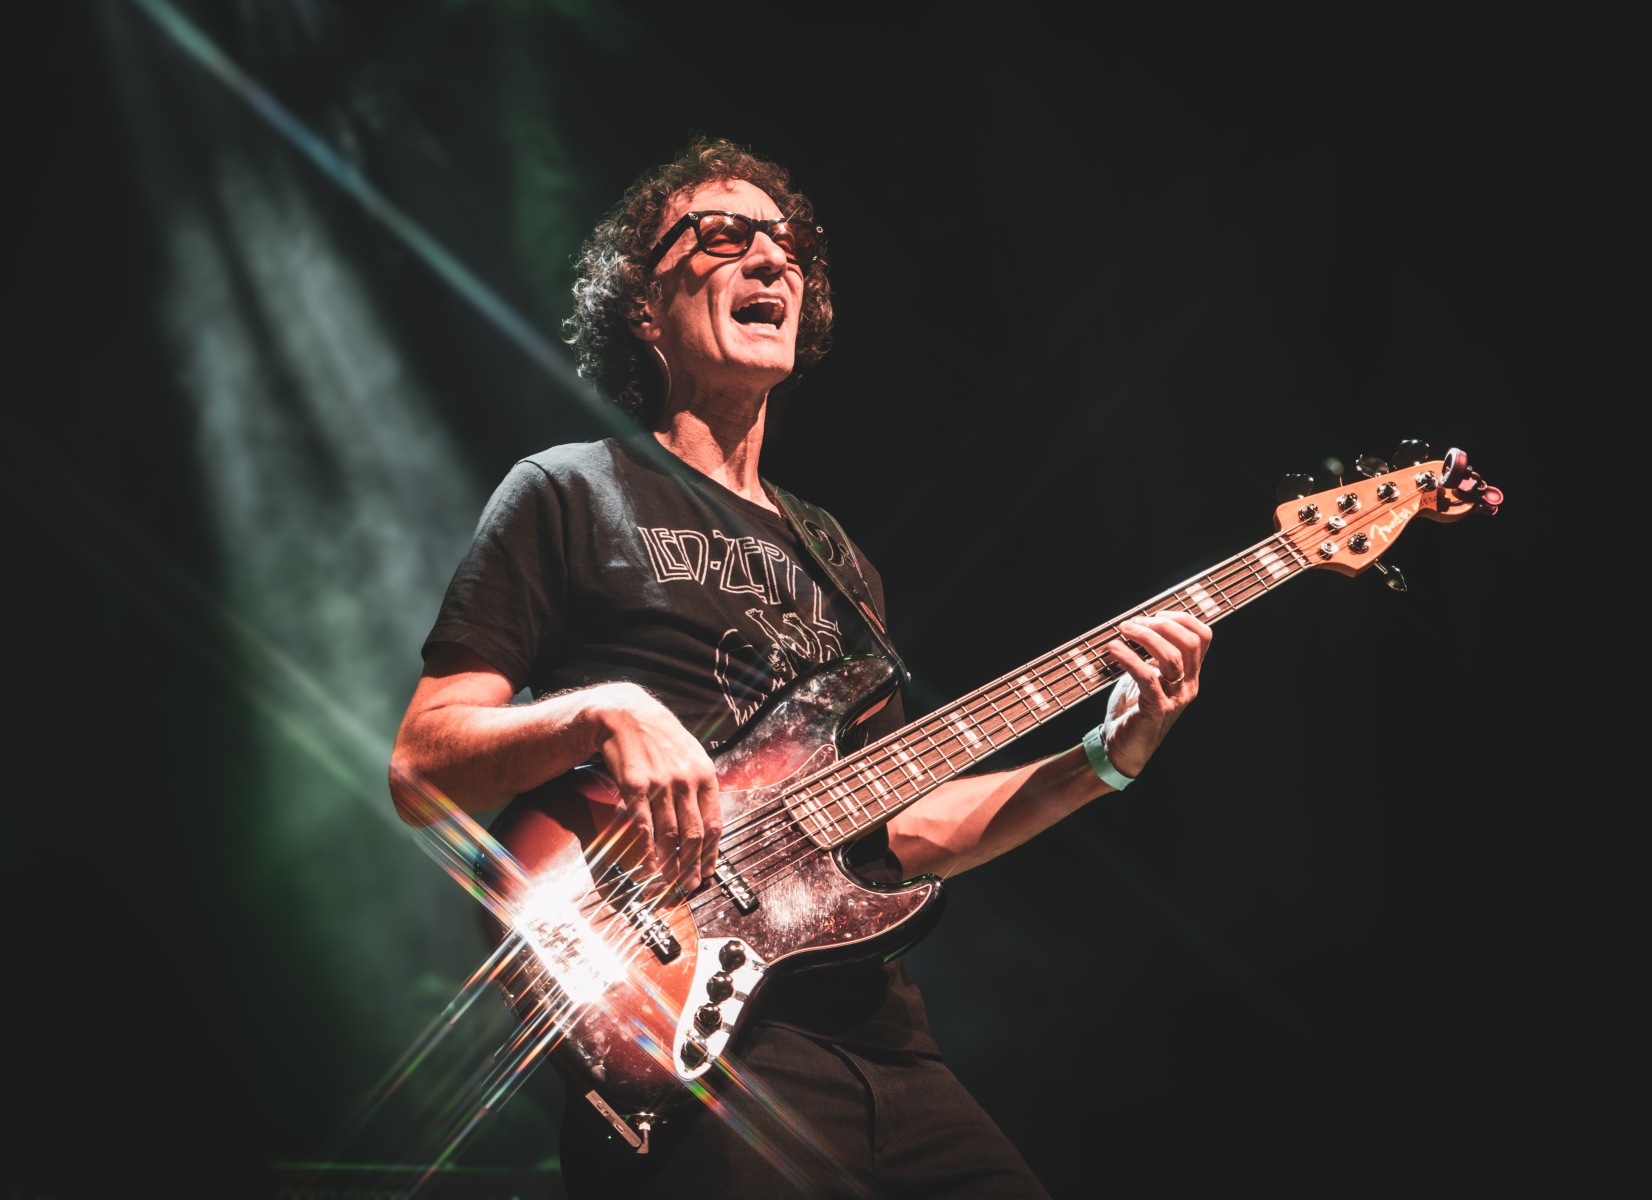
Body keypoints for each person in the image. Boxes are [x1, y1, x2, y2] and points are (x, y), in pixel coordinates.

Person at [391, 138, 1210, 1198]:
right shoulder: (570, 490)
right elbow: (423, 764)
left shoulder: (840, 562)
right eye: (724, 235)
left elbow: (894, 829)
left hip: (887, 1048)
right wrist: (605, 714)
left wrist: (1101, 760)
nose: (773, 259)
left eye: (790, 246)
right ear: (644, 306)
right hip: (696, 1037)